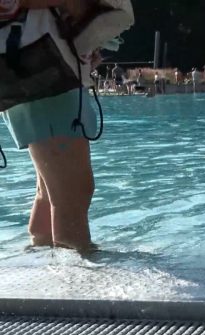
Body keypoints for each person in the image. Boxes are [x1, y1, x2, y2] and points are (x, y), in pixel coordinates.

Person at [0, 0, 122, 253]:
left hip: (37, 67)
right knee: (72, 192)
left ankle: (43, 261)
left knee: (53, 190)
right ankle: (77, 280)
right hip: (41, 72)